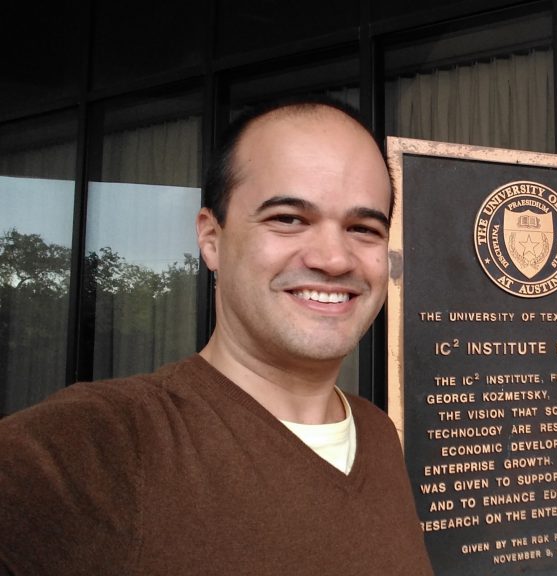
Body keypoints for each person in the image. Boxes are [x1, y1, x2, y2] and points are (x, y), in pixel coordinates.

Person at [0, 99, 434, 575]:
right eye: (288, 218)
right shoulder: (101, 445)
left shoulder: (376, 433)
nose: (334, 259)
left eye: (363, 228)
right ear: (211, 238)